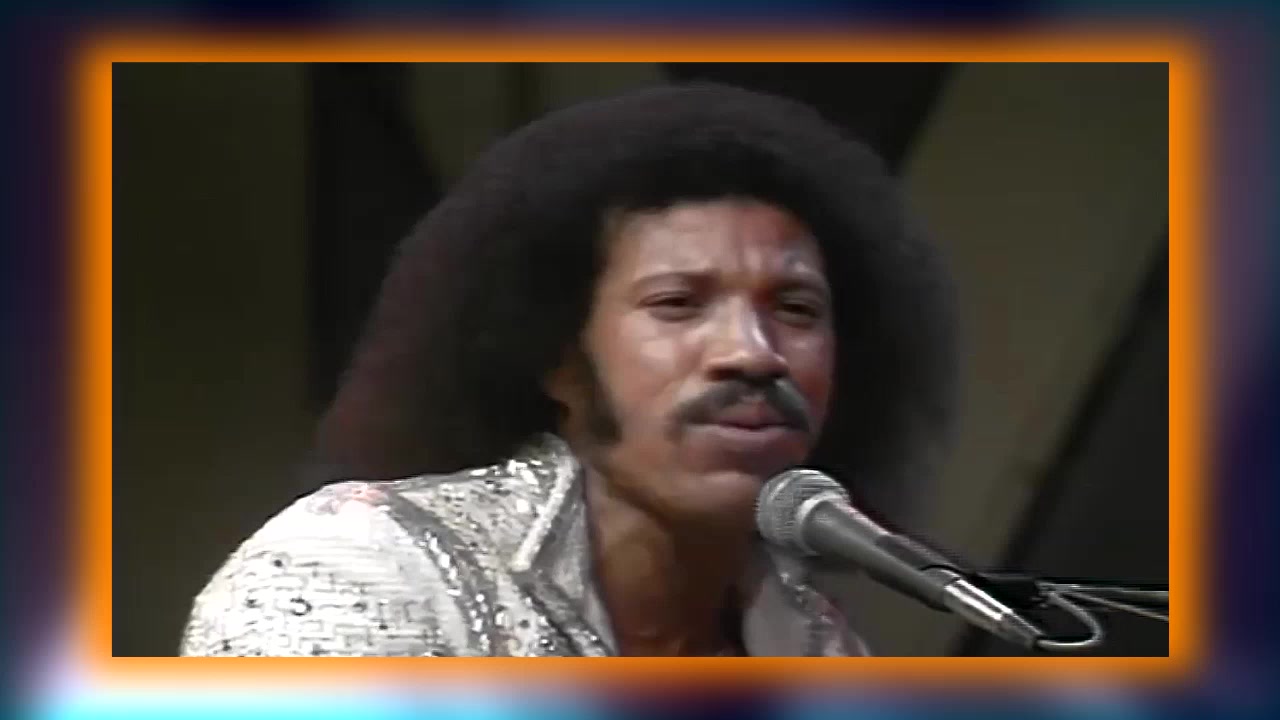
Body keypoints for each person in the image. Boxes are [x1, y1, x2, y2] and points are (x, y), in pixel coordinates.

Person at [180, 83, 957, 657]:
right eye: (679, 304)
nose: (753, 351)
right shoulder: (359, 572)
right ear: (558, 356)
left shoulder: (818, 649)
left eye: (795, 308)